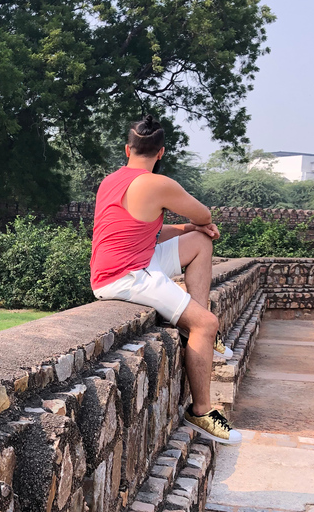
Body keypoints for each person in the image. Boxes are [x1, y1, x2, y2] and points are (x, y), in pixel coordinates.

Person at [89, 115, 241, 445]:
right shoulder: (158, 183)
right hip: (126, 276)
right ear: (160, 153)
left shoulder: (112, 181)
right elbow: (204, 214)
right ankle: (201, 410)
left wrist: (192, 230)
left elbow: (151, 233)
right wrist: (200, 222)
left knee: (201, 243)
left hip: (126, 264)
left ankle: (193, 327)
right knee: (207, 322)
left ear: (128, 149)